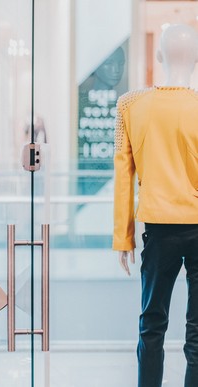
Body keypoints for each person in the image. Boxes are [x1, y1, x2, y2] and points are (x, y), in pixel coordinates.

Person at [113, 24, 198, 387]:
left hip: (158, 231)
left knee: (151, 325)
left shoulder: (131, 105)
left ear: (159, 56)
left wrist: (123, 237)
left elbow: (123, 176)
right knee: (196, 334)